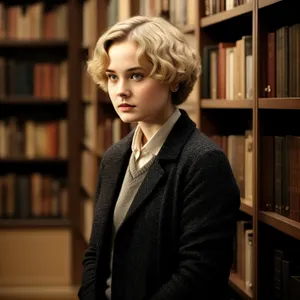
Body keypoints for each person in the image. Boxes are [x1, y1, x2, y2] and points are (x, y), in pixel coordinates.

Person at [78, 15, 240, 300]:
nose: (120, 90)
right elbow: (96, 252)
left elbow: (200, 272)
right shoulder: (114, 156)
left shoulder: (203, 161)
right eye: (113, 76)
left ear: (173, 78)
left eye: (136, 75)